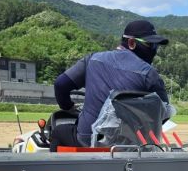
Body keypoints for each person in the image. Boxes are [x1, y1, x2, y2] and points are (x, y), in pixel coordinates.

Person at [50, 20, 169, 151]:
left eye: (155, 46)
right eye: (150, 45)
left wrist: (68, 107)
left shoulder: (92, 60)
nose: (154, 50)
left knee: (58, 132)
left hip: (88, 140)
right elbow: (163, 113)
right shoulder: (150, 74)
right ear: (131, 43)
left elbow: (60, 85)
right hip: (132, 146)